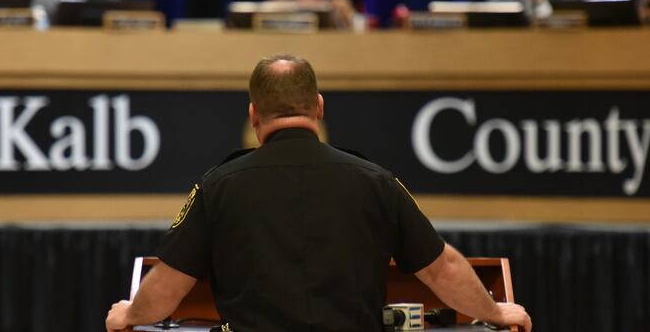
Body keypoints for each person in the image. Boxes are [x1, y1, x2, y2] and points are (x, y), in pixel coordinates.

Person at [106, 55, 532, 332]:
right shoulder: (375, 181)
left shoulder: (217, 186)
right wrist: (494, 313)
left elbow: (169, 285)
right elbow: (442, 269)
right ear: (320, 107)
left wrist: (129, 314)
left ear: (254, 114)